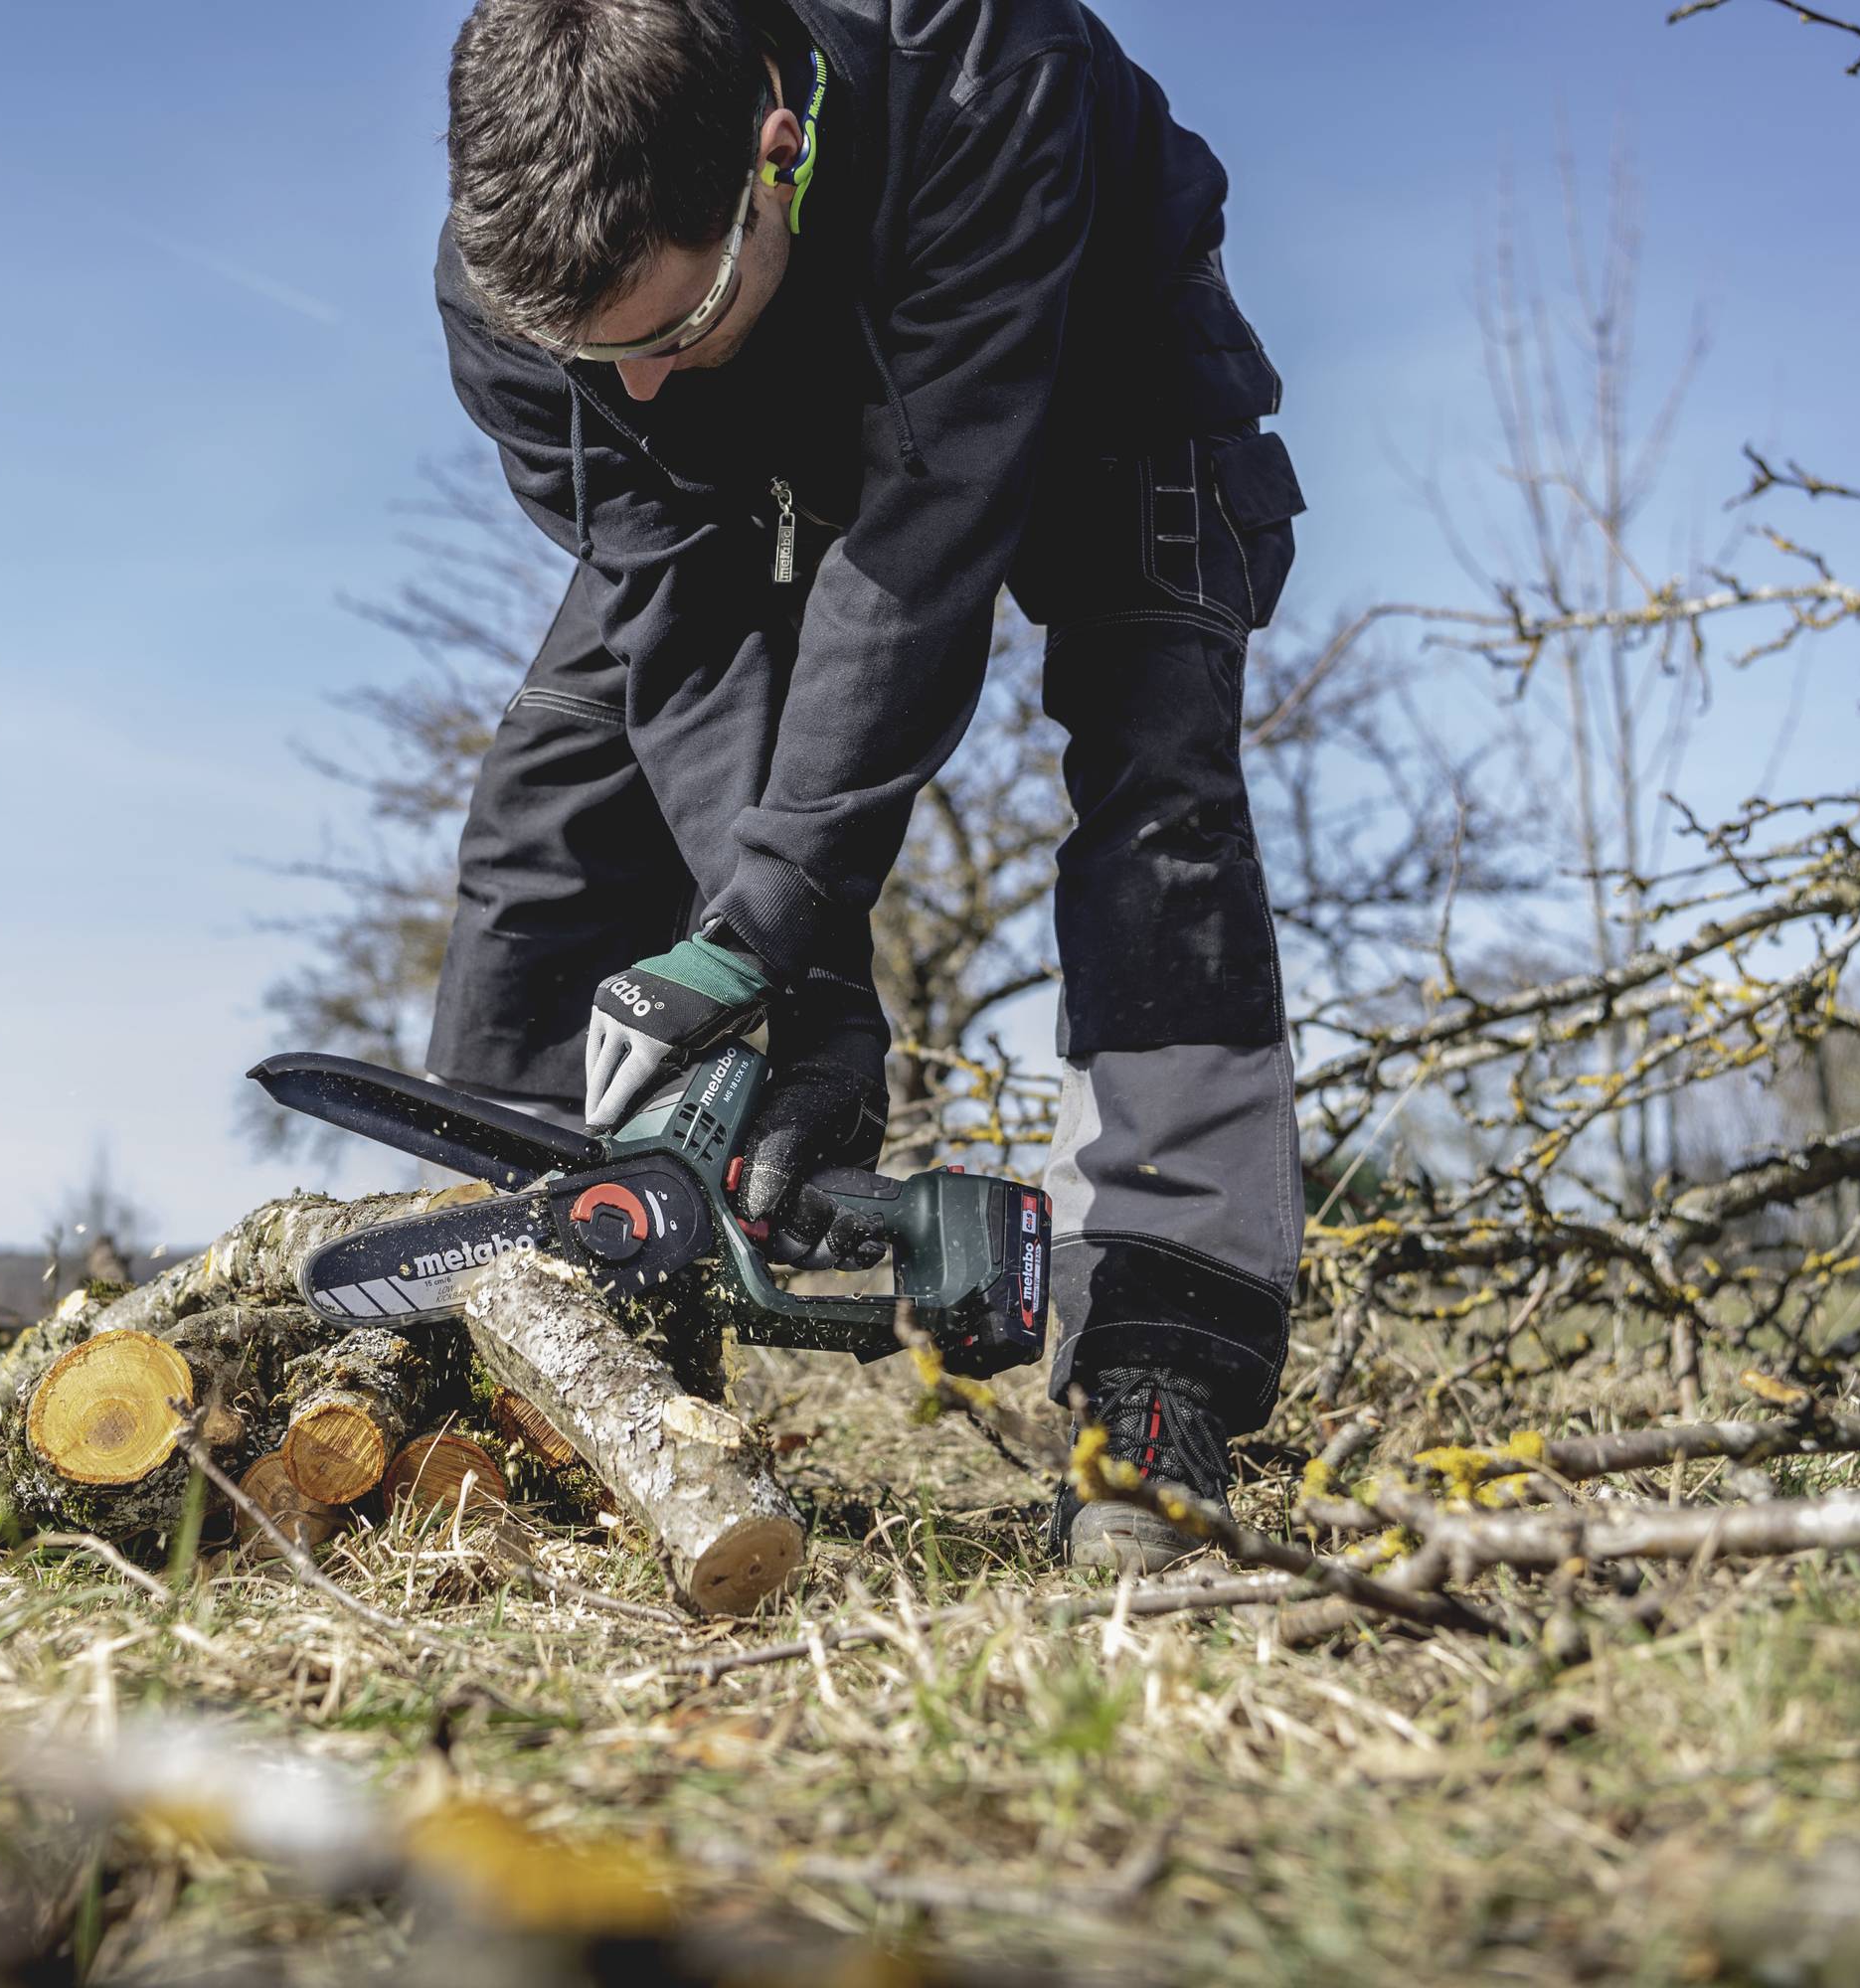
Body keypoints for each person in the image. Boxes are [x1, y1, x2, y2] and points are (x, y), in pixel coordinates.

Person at [426, 0, 1304, 1572]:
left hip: (1089, 339)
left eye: (666, 328)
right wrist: (797, 980)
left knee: (1159, 797)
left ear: (775, 152)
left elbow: (923, 550)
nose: (633, 389)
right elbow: (676, 607)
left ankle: (1158, 1370)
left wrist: (780, 907)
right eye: (595, 357)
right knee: (550, 812)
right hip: (772, 417)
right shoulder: (525, 279)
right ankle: (522, 1341)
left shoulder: (976, 67)